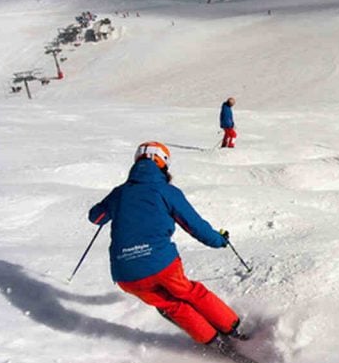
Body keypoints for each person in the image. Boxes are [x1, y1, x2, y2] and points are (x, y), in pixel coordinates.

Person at [88, 142, 244, 348]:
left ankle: (212, 341)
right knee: (189, 292)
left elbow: (96, 217)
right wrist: (219, 240)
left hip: (126, 274)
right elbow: (194, 225)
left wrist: (113, 206)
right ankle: (231, 328)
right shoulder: (166, 191)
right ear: (163, 163)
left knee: (171, 305)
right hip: (162, 264)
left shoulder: (119, 193)